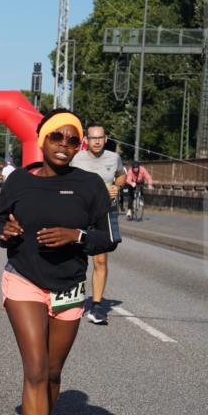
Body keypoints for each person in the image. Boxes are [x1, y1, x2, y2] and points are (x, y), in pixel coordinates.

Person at [0, 108, 113, 415]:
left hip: (68, 288)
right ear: (41, 139)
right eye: (56, 138)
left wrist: (76, 236)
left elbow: (108, 237)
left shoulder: (90, 185)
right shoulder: (19, 181)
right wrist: (4, 232)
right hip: (24, 280)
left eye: (72, 140)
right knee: (37, 369)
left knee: (54, 373)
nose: (64, 145)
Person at [70, 122, 125, 325]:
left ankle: (97, 305)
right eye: (93, 138)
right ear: (86, 139)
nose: (97, 141)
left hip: (103, 213)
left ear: (106, 138)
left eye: (100, 138)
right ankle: (70, 298)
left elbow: (122, 175)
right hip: (79, 213)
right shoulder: (76, 159)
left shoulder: (113, 158)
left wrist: (116, 187)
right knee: (75, 258)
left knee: (100, 261)